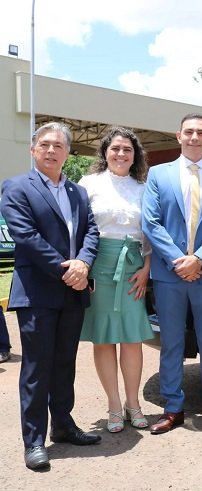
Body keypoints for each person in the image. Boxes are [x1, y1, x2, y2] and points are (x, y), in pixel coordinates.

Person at [1, 122, 101, 471]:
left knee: (64, 363)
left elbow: (92, 231)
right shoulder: (16, 187)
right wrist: (67, 271)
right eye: (44, 144)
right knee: (36, 367)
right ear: (33, 149)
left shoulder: (78, 192)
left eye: (58, 145)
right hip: (38, 292)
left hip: (73, 291)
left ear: (67, 153)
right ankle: (33, 441)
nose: (51, 150)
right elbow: (26, 236)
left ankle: (63, 424)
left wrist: (84, 263)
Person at [142, 113, 202, 434]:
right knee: (172, 343)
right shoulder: (158, 174)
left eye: (200, 132)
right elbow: (150, 222)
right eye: (189, 132)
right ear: (178, 136)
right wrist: (178, 260)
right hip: (169, 275)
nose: (194, 137)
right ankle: (172, 408)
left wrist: (200, 259)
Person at [78, 127, 154, 433]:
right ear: (105, 152)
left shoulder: (144, 187)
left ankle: (133, 404)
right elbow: (80, 229)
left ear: (135, 155)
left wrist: (146, 268)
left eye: (127, 149)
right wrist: (84, 268)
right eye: (115, 149)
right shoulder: (88, 184)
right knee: (104, 338)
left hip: (134, 266)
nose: (121, 154)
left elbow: (150, 232)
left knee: (132, 338)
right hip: (99, 265)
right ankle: (113, 405)